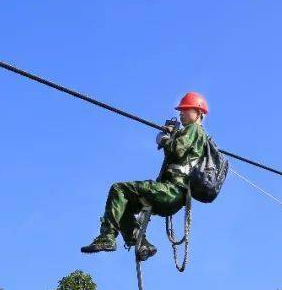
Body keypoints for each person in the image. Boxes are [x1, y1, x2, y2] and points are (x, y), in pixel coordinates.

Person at [81, 91, 209, 260]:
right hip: (174, 197)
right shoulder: (193, 135)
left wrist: (164, 140)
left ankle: (107, 237)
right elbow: (180, 154)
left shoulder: (194, 129)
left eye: (186, 110)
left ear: (198, 113)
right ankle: (143, 244)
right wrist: (173, 135)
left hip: (171, 191)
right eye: (181, 110)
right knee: (123, 206)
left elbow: (177, 150)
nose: (181, 114)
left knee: (118, 189)